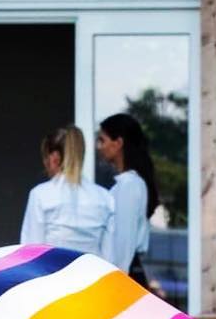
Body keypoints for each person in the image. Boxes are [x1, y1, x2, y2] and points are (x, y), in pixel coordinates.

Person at [19, 125, 115, 257]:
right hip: (92, 276)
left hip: (53, 275)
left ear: (54, 158)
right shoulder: (105, 198)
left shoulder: (41, 195)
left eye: (45, 159)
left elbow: (30, 253)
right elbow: (109, 257)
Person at [95, 113, 161, 285]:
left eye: (102, 140)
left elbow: (124, 242)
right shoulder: (126, 184)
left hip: (124, 277)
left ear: (118, 143)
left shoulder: (129, 185)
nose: (99, 147)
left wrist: (114, 284)